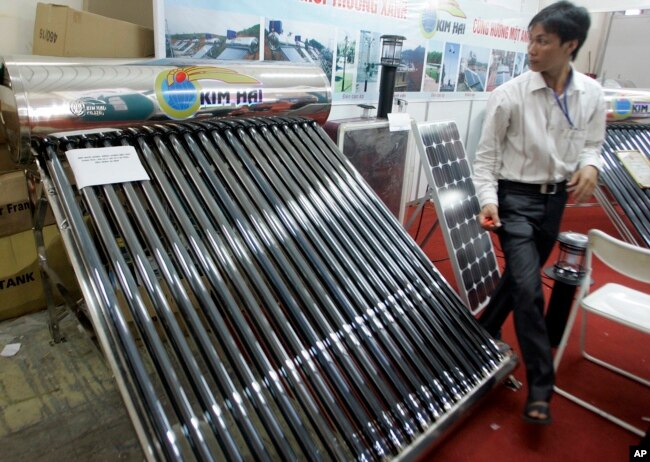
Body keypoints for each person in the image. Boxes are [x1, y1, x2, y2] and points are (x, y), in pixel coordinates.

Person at [471, 0, 606, 425]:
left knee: (516, 283)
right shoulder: (508, 95)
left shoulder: (592, 94)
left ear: (570, 45)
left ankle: (480, 335)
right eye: (530, 39)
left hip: (554, 203)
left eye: (542, 41)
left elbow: (592, 143)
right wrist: (489, 200)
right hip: (514, 200)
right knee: (529, 289)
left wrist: (590, 164)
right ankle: (541, 387)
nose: (531, 48)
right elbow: (486, 158)